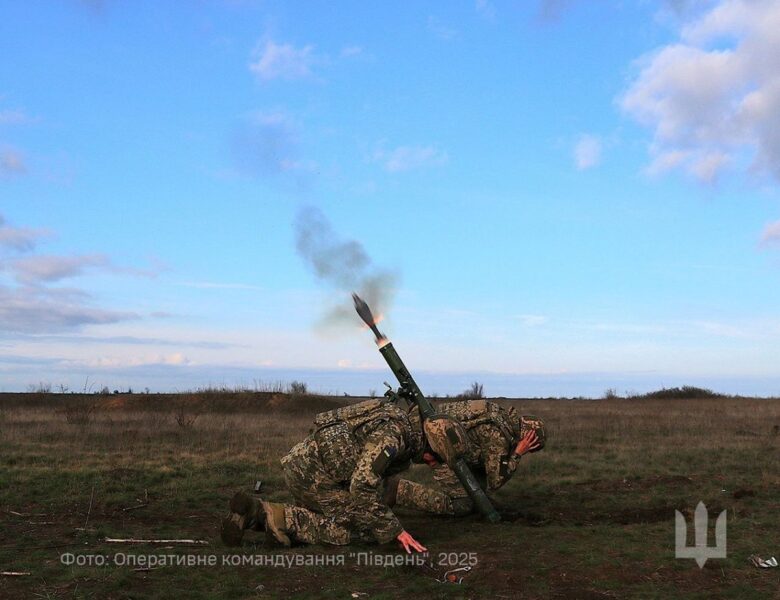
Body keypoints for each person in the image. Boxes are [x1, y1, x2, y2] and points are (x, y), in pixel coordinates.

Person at [221, 398, 429, 553]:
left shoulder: (391, 416)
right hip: (315, 478)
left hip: (306, 468)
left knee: (345, 512)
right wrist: (395, 531)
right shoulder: (392, 437)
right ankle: (281, 518)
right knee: (365, 531)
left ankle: (253, 514)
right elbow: (362, 485)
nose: (430, 461)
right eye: (432, 455)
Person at [387, 400, 545, 516]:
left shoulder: (498, 414)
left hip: (429, 435)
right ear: (528, 437)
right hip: (433, 449)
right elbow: (496, 481)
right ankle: (398, 490)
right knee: (462, 504)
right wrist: (517, 453)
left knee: (479, 484)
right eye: (530, 448)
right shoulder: (498, 436)